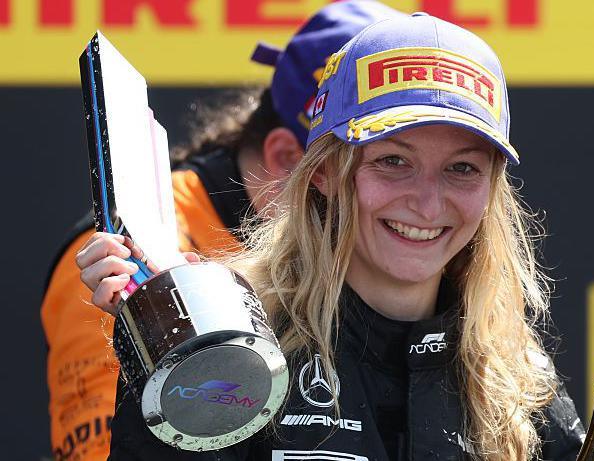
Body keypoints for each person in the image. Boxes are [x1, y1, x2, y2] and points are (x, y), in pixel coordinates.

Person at [77, 11, 586, 461]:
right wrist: (168, 351)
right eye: (393, 161)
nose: (429, 204)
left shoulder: (516, 376)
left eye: (462, 169)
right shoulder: (241, 347)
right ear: (322, 171)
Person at [42, 2, 403, 460]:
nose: (413, 201)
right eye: (386, 164)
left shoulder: (384, 266)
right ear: (290, 159)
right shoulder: (127, 259)